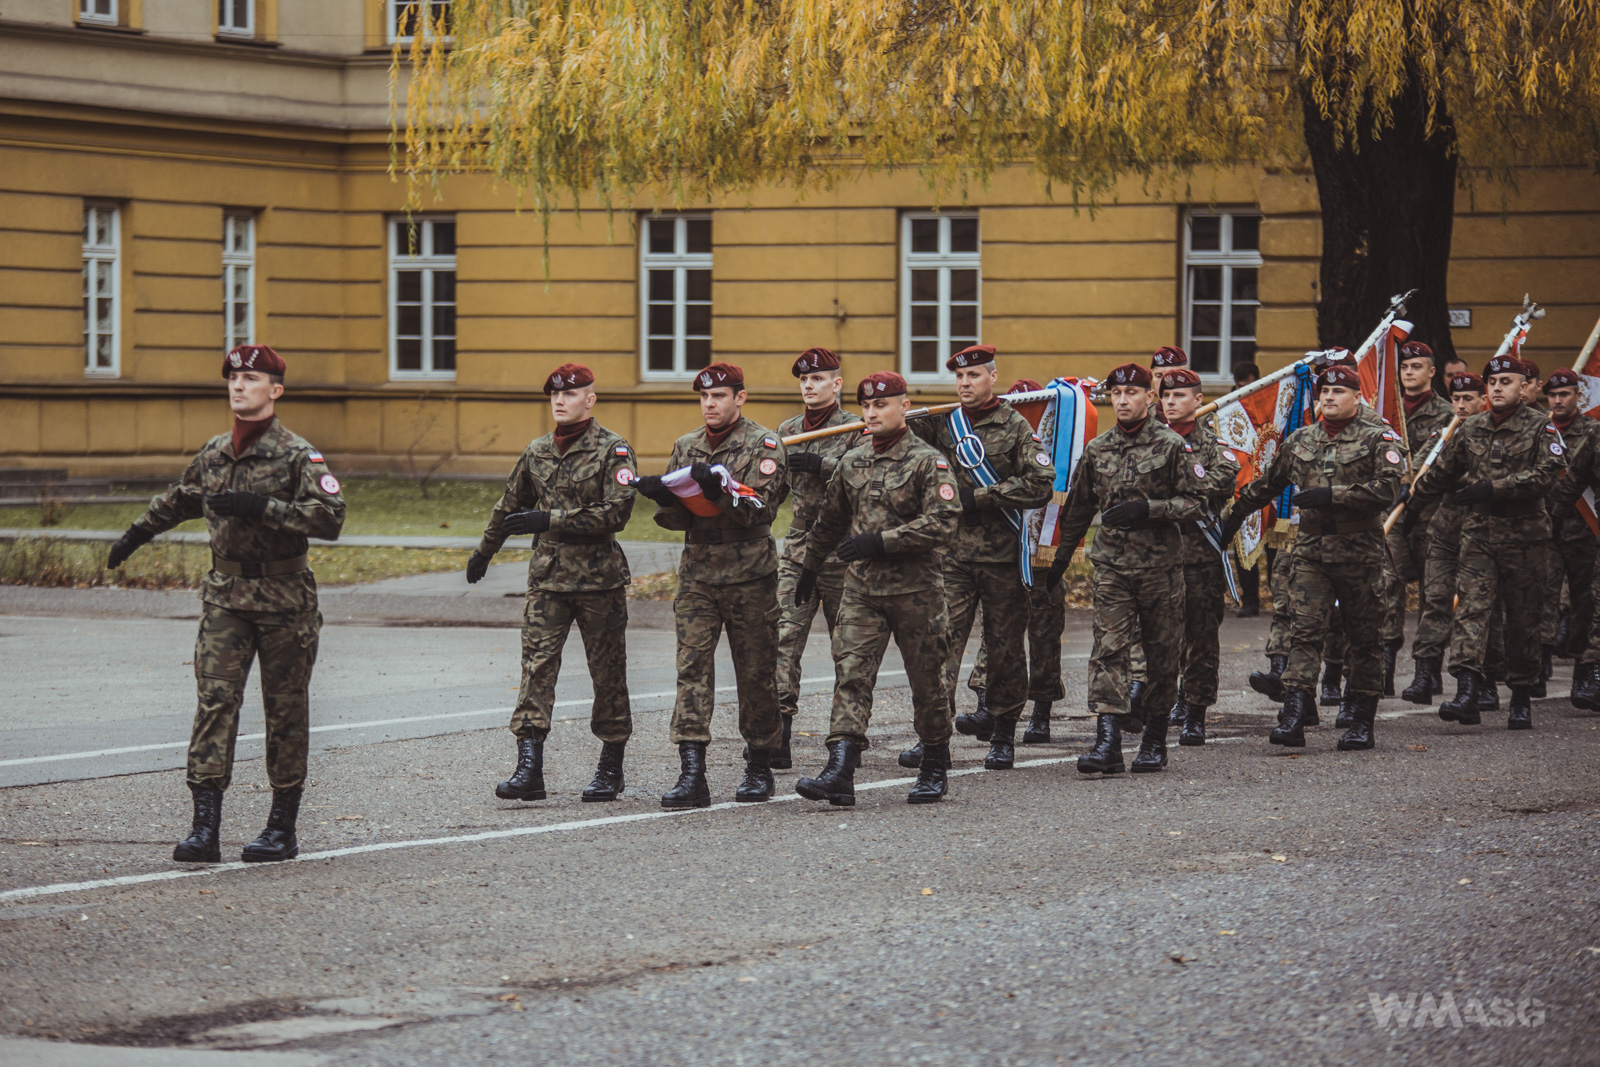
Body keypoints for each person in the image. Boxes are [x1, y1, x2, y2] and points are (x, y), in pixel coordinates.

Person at [106, 345, 345, 863]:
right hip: (225, 598)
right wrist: (134, 536)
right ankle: (204, 828)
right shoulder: (215, 453)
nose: (239, 386)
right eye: (233, 378)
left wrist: (263, 507)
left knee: (284, 710)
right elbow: (180, 499)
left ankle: (281, 828)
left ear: (275, 391)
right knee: (215, 703)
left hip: (284, 600)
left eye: (252, 378)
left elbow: (330, 519)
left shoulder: (299, 455)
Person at [468, 363, 637, 804]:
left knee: (608, 674)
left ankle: (610, 766)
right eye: (554, 395)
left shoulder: (613, 451)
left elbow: (616, 513)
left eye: (571, 393)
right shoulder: (537, 450)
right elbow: (508, 505)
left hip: (599, 579)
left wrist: (551, 518)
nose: (560, 401)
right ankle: (529, 768)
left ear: (590, 399)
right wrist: (485, 551)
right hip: (548, 579)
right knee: (536, 670)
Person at [793, 371, 961, 806]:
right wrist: (810, 566)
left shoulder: (928, 461)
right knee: (851, 675)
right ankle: (841, 768)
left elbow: (943, 522)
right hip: (862, 590)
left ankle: (934, 764)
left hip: (917, 592)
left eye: (881, 405)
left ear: (904, 406)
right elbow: (829, 519)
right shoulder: (854, 460)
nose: (871, 413)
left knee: (928, 683)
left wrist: (880, 541)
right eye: (866, 406)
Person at [1225, 363, 1403, 750]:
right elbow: (1268, 483)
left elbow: (1387, 490)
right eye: (1324, 392)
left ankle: (1362, 719)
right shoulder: (1301, 439)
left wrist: (1333, 495)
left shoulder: (1379, 439)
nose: (1330, 398)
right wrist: (1234, 515)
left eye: (1339, 392)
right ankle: (1293, 712)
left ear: (1357, 398)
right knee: (1303, 632)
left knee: (1364, 636)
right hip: (1311, 553)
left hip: (1360, 552)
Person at [635, 363, 789, 805]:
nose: (709, 404)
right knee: (691, 671)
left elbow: (761, 508)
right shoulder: (687, 446)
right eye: (704, 398)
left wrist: (720, 491)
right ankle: (692, 773)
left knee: (756, 672)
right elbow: (674, 519)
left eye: (719, 396)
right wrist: (664, 497)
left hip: (749, 574)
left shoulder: (765, 444)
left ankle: (760, 766)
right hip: (699, 573)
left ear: (740, 398)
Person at [905, 345, 1054, 770]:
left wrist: (982, 498)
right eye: (960, 378)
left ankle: (1003, 734)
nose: (965, 384)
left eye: (973, 376)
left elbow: (1041, 483)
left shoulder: (1017, 428)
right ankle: (933, 738)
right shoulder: (946, 423)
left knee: (1005, 649)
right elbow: (907, 446)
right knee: (938, 646)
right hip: (951, 555)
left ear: (992, 377)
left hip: (1003, 558)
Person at [1053, 363, 1205, 774]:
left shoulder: (1173, 446)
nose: (1122, 401)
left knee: (1160, 655)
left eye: (1131, 394)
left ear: (1149, 398)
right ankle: (1108, 742)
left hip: (1160, 568)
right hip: (1112, 568)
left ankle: (1155, 738)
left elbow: (1196, 503)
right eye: (1116, 395)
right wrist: (1059, 561)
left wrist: (1150, 510)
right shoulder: (1099, 448)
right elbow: (1079, 508)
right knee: (1108, 651)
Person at [1409, 355, 1565, 730]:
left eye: (1506, 382)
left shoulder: (1541, 428)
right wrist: (1410, 494)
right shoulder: (1472, 427)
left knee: (1523, 618)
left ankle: (1522, 696)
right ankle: (1466, 690)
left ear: (1524, 388)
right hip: (1479, 534)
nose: (1497, 388)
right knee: (1471, 611)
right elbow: (1443, 471)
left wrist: (1493, 488)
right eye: (1492, 382)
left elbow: (1550, 474)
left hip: (1526, 536)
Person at [963, 379, 1069, 745]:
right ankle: (986, 706)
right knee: (997, 637)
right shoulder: (995, 442)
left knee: (1043, 637)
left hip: (1043, 554)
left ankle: (1041, 712)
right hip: (1005, 553)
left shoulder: (1060, 441)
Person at [771, 347, 861, 768]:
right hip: (797, 549)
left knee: (851, 648)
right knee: (782, 640)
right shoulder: (787, 429)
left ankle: (847, 740)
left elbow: (862, 476)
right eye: (805, 380)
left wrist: (822, 463)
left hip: (845, 552)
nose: (810, 386)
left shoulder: (857, 426)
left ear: (837, 384)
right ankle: (779, 736)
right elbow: (774, 489)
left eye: (819, 379)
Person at [1403, 373, 1505, 705]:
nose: (1461, 406)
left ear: (1483, 401)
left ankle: (1484, 681)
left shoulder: (1495, 434)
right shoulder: (1442, 434)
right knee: (1435, 601)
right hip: (1445, 528)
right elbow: (1422, 475)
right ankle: (1424, 675)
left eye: (1468, 399)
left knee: (1480, 609)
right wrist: (1409, 502)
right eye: (1456, 400)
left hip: (1484, 530)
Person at [1158, 368, 1239, 746]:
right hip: (1154, 556)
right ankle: (1161, 701)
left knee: (1200, 638)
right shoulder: (1150, 442)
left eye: (1179, 396)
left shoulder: (1213, 447)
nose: (1171, 403)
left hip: (1198, 556)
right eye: (1166, 397)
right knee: (1156, 636)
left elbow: (1222, 482)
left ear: (1197, 401)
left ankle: (1196, 711)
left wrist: (1164, 496)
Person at [1388, 341, 1454, 697]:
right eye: (1404, 367)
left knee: (1435, 594)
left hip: (1431, 516)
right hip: (1393, 515)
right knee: (1387, 589)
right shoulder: (1387, 411)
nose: (1409, 372)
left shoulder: (1448, 414)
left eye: (1417, 366)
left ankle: (1427, 671)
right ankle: (1384, 667)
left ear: (1431, 371)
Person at [1542, 369, 1600, 708]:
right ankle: (1544, 661)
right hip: (1556, 525)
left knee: (1586, 602)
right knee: (1547, 595)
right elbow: (1574, 479)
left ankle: (1585, 668)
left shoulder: (1590, 430)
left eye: (1565, 393)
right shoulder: (1543, 430)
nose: (1558, 400)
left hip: (1586, 530)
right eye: (1553, 394)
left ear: (1578, 395)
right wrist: (1556, 515)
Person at [1231, 362, 1264, 618]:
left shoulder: (1267, 403)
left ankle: (1280, 596)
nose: (1244, 389)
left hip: (1270, 484)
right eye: (1239, 385)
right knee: (1244, 545)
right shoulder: (1227, 406)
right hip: (1242, 483)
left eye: (1248, 384)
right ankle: (1250, 600)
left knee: (1274, 544)